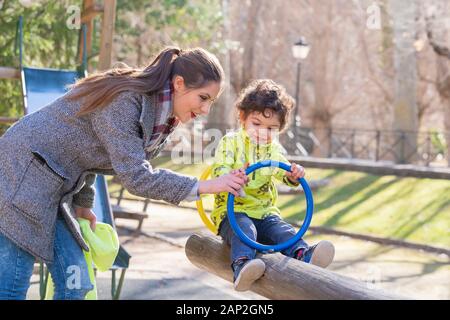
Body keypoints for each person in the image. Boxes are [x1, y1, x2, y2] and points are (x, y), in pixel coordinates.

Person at [0, 46, 248, 300]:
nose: (206, 110)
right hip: (20, 175)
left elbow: (87, 150)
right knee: (11, 286)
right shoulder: (127, 101)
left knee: (77, 284)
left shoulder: (160, 117)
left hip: (52, 186)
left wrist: (83, 203)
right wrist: (205, 185)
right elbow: (137, 177)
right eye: (203, 98)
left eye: (211, 102)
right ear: (179, 84)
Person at [211, 79, 335, 292]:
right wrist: (233, 177)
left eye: (271, 128)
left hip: (265, 212)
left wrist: (295, 175)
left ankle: (304, 254)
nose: (263, 132)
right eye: (256, 124)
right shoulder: (230, 142)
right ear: (243, 119)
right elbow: (219, 170)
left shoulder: (273, 150)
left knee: (283, 230)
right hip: (234, 212)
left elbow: (284, 172)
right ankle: (242, 266)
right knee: (245, 230)